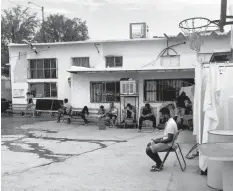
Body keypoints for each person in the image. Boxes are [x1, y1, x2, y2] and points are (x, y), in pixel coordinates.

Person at [146, 107, 178, 171]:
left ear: (166, 115)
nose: (161, 117)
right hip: (168, 142)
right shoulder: (169, 122)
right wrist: (159, 139)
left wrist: (158, 141)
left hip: (169, 144)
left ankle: (159, 165)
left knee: (148, 150)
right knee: (149, 144)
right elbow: (167, 136)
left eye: (162, 115)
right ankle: (159, 163)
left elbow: (169, 139)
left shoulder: (171, 124)